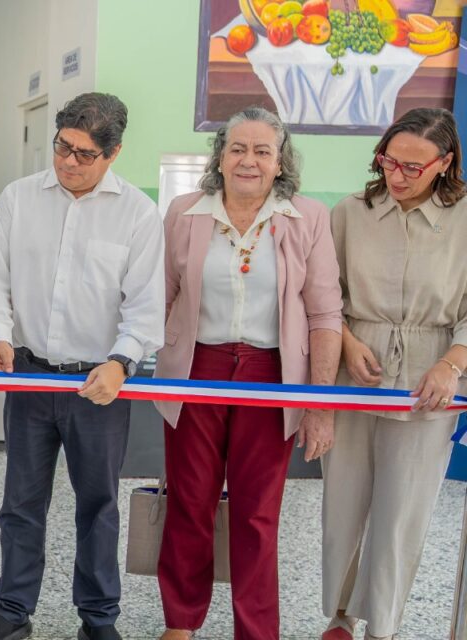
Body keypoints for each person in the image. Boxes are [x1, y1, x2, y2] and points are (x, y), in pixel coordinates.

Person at [0, 92, 164, 640]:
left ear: (114, 153)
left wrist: (123, 363)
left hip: (97, 384)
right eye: (62, 148)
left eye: (84, 154)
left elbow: (146, 307)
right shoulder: (19, 198)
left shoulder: (138, 214)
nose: (69, 162)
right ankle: (12, 611)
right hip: (29, 374)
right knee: (21, 502)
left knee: (98, 505)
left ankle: (98, 618)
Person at [153, 106, 342, 640]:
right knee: (190, 501)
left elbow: (326, 315)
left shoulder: (308, 217)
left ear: (281, 161)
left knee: (257, 514)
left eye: (263, 150)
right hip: (195, 370)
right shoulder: (186, 212)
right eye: (238, 148)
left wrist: (319, 405)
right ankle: (181, 622)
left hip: (270, 373)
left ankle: (255, 630)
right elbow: (160, 296)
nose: (249, 160)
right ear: (220, 155)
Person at [321, 107, 467, 640]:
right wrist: (346, 340)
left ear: (445, 163)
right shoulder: (350, 212)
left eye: (413, 167)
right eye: (388, 162)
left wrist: (452, 365)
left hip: (433, 377)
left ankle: (381, 626)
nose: (397, 176)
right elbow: (321, 294)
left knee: (400, 516)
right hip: (354, 369)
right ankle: (338, 618)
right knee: (344, 504)